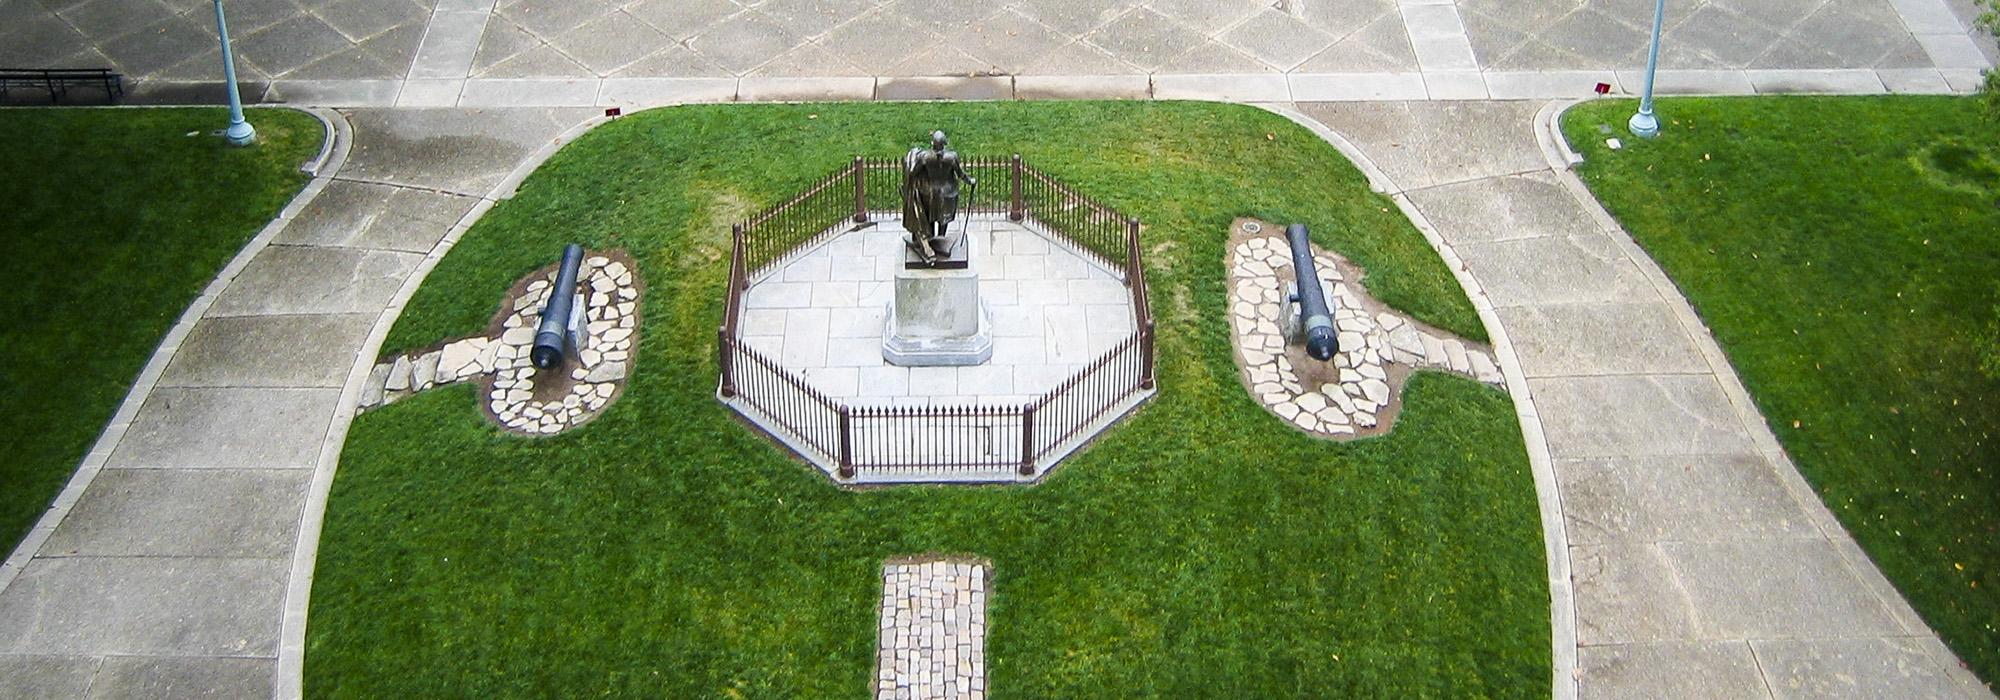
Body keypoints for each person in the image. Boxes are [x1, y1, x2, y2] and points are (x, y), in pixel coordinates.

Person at [900, 131, 976, 264]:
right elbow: (961, 174)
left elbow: (913, 172)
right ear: (944, 144)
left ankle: (931, 241)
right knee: (943, 220)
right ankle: (940, 240)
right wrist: (970, 181)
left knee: (929, 217)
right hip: (946, 194)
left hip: (929, 193)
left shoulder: (925, 157)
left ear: (932, 144)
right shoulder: (952, 157)